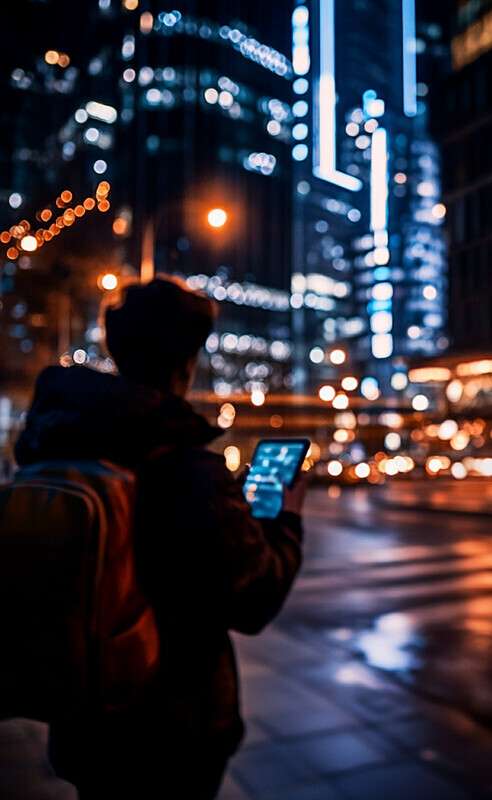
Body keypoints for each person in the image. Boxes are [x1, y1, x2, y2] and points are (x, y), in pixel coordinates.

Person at [13, 275, 306, 799]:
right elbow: (254, 597)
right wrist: (285, 520)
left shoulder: (63, 440)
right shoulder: (185, 466)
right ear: (185, 362)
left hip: (86, 716)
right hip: (172, 731)